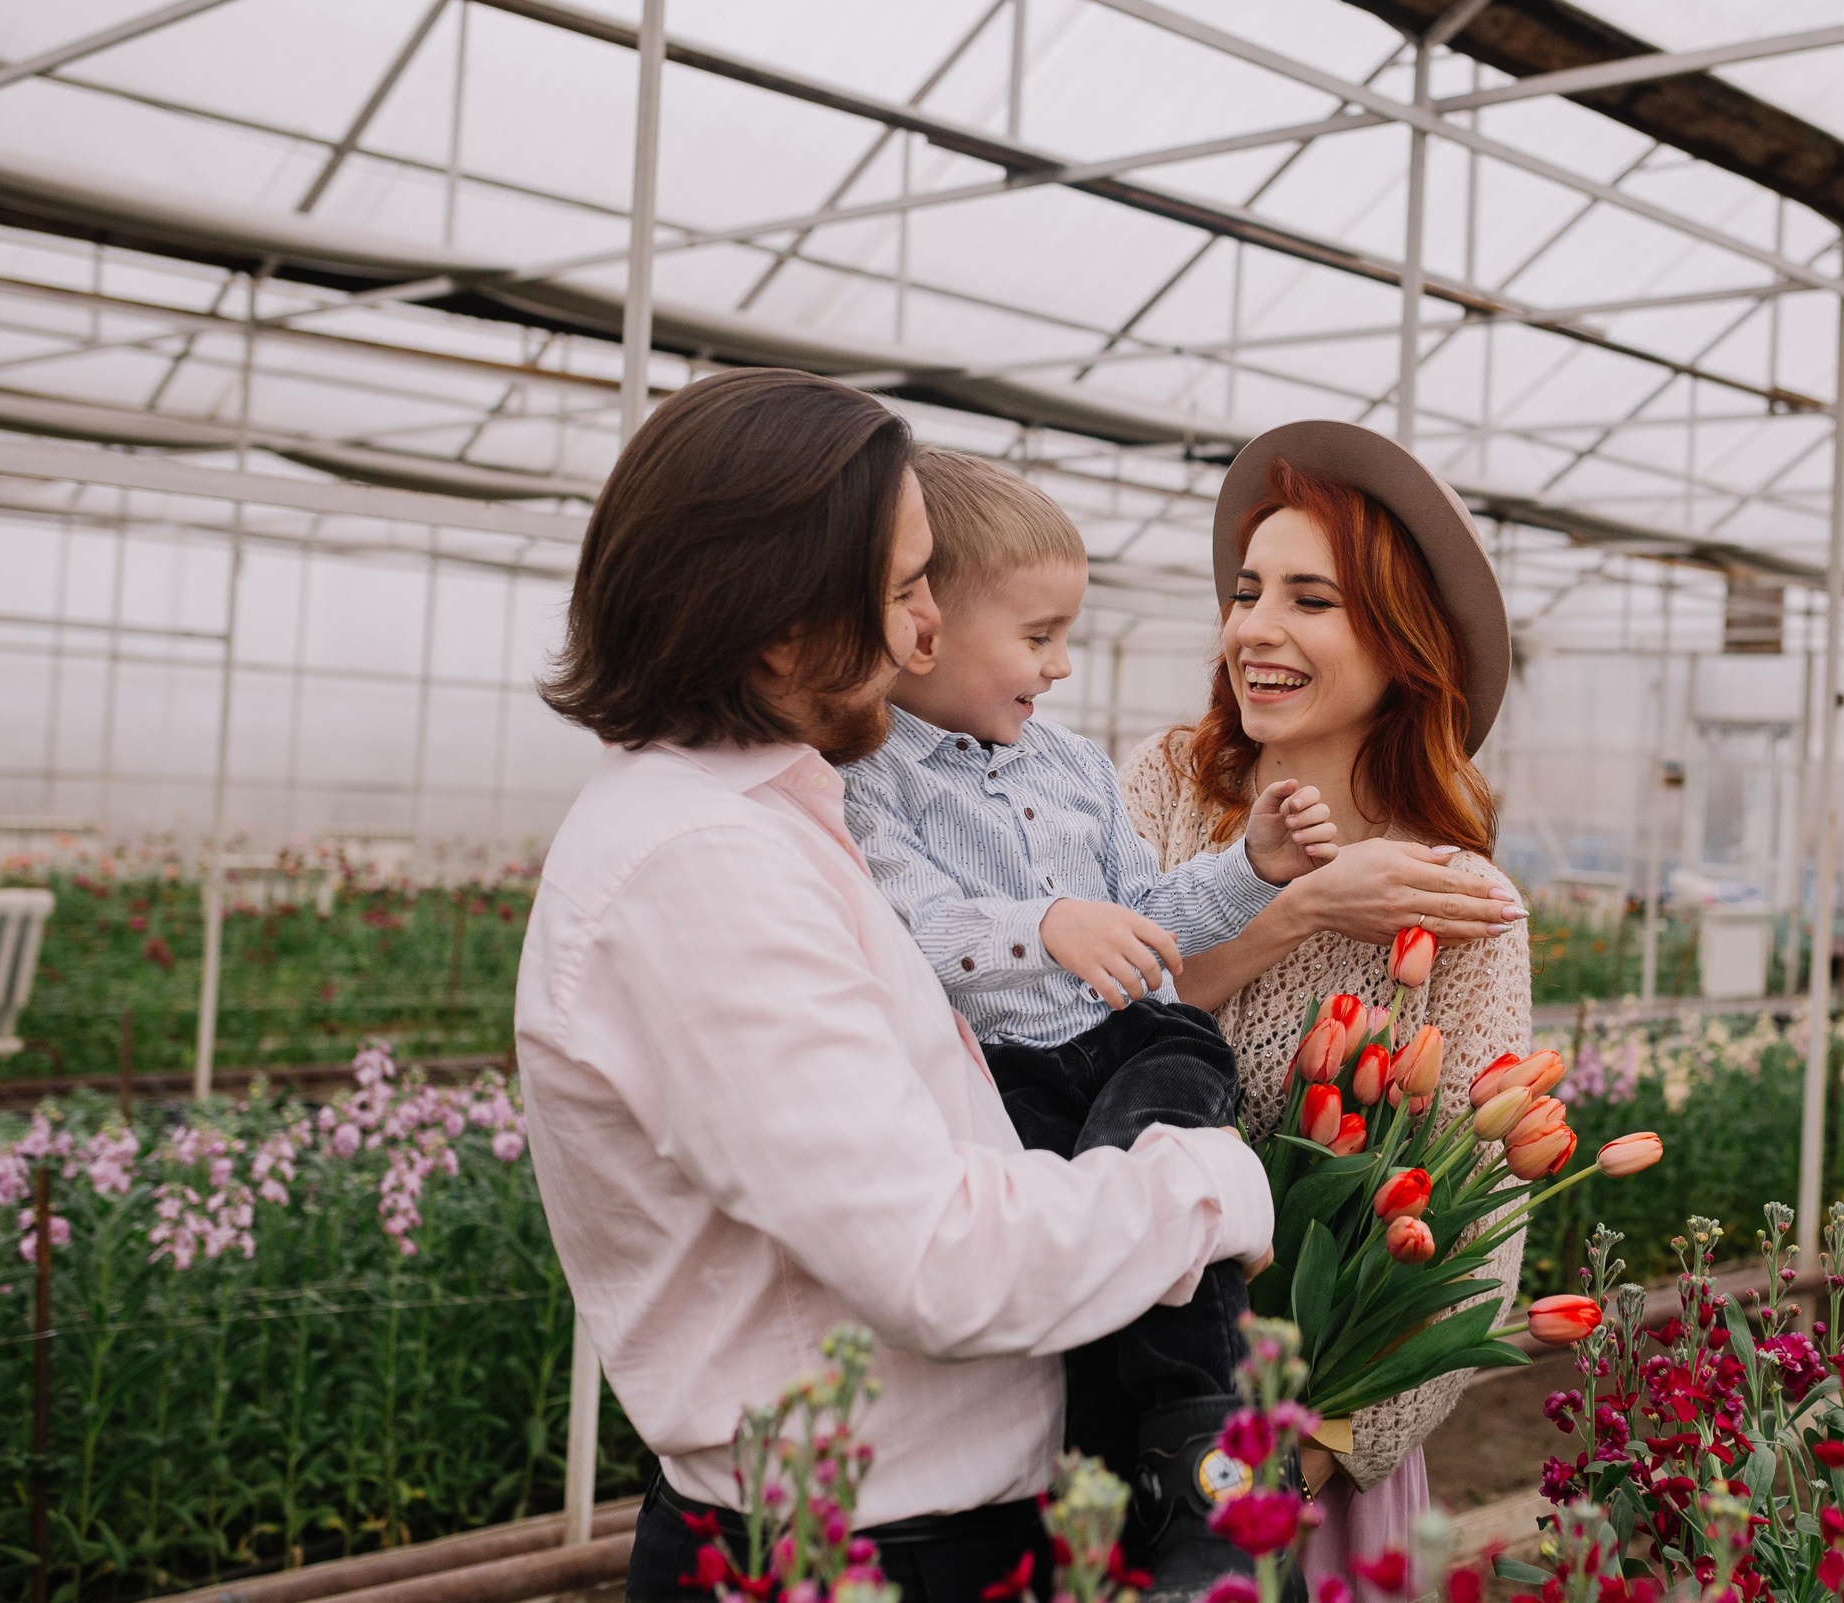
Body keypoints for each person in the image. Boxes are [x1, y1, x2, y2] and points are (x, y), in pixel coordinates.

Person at [512, 368, 1274, 1603]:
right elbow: (938, 1259)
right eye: (908, 587)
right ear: (780, 624)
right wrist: (1214, 1182)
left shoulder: (770, 819)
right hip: (852, 1559)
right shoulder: (700, 870)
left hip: (914, 1535)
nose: (929, 630)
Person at [837, 449, 1335, 1598]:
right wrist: (1042, 925)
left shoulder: (1074, 770)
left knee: (1173, 1160)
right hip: (1004, 1072)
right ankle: (1122, 1482)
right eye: (1038, 636)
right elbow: (914, 930)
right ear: (924, 626)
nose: (1060, 667)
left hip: (1131, 1040)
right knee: (1073, 1274)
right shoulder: (871, 780)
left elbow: (1149, 916)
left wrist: (1249, 867)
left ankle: (1202, 1448)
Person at [1119, 421, 1534, 1594]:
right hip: (1105, 1388)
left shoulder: (1462, 905)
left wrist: (1323, 1448)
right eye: (1248, 592)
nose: (1255, 627)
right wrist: (1293, 913)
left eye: (1311, 600)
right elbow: (1069, 1026)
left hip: (1310, 1453)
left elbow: (1476, 1232)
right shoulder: (1162, 791)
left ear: (1404, 646)